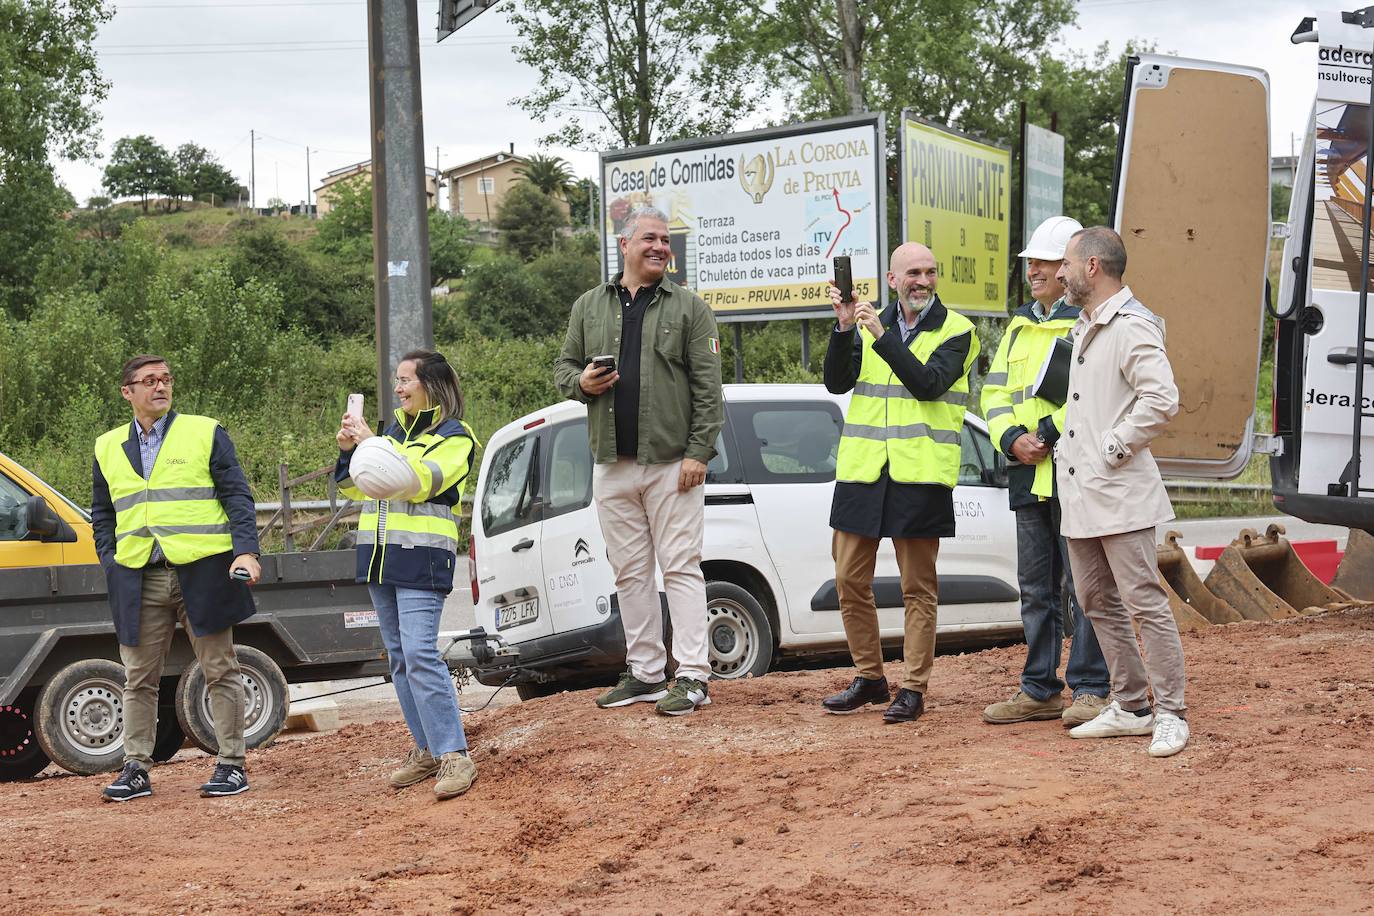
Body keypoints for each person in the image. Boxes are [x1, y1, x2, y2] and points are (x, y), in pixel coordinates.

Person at [554, 206, 724, 717]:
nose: (659, 247)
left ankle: (693, 676)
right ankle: (647, 672)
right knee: (629, 573)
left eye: (665, 241)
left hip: (672, 463)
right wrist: (581, 383)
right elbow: (563, 368)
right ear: (624, 244)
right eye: (649, 238)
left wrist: (699, 452)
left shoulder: (690, 307)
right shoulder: (589, 305)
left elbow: (709, 390)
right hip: (611, 463)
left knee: (680, 568)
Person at [819, 242, 979, 723]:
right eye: (913, 273)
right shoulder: (867, 324)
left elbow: (927, 383)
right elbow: (835, 383)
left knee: (917, 588)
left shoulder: (959, 332)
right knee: (848, 580)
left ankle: (912, 687)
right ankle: (870, 678)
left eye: (930, 272)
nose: (923, 281)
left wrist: (879, 333)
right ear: (893, 280)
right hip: (863, 471)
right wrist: (845, 326)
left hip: (920, 475)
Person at [92, 355, 262, 802]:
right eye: (149, 381)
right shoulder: (107, 445)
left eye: (166, 379)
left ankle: (231, 764)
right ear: (127, 392)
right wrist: (109, 558)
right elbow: (103, 512)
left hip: (203, 570)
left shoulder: (205, 431)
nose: (161, 387)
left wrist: (246, 549)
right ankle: (135, 769)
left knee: (219, 668)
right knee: (138, 677)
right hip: (137, 575)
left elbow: (236, 494)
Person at [1053, 226, 1188, 758]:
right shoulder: (1087, 324)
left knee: (1143, 601)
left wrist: (1114, 448)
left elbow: (1162, 399)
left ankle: (1171, 712)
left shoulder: (1131, 325)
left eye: (1066, 262)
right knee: (1092, 600)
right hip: (1082, 493)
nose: (1059, 273)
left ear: (1092, 267)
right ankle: (1131, 705)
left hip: (1120, 491)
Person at [980, 216, 1111, 728]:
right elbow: (992, 393)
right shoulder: (1019, 324)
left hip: (1072, 471)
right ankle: (1039, 689)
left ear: (1069, 267)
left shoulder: (1089, 319)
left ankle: (1091, 689)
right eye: (1030, 262)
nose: (1032, 270)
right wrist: (1012, 438)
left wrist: (1044, 434)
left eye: (1043, 262)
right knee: (1036, 590)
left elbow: (1090, 394)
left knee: (1085, 590)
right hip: (1025, 471)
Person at [335, 349, 481, 798]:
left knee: (420, 654)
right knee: (399, 659)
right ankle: (426, 749)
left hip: (421, 557)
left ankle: (455, 755)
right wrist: (348, 452)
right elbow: (353, 485)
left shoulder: (456, 435)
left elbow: (418, 480)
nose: (397, 388)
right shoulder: (389, 431)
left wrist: (371, 446)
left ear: (431, 384)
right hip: (379, 557)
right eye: (396, 380)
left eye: (405, 380)